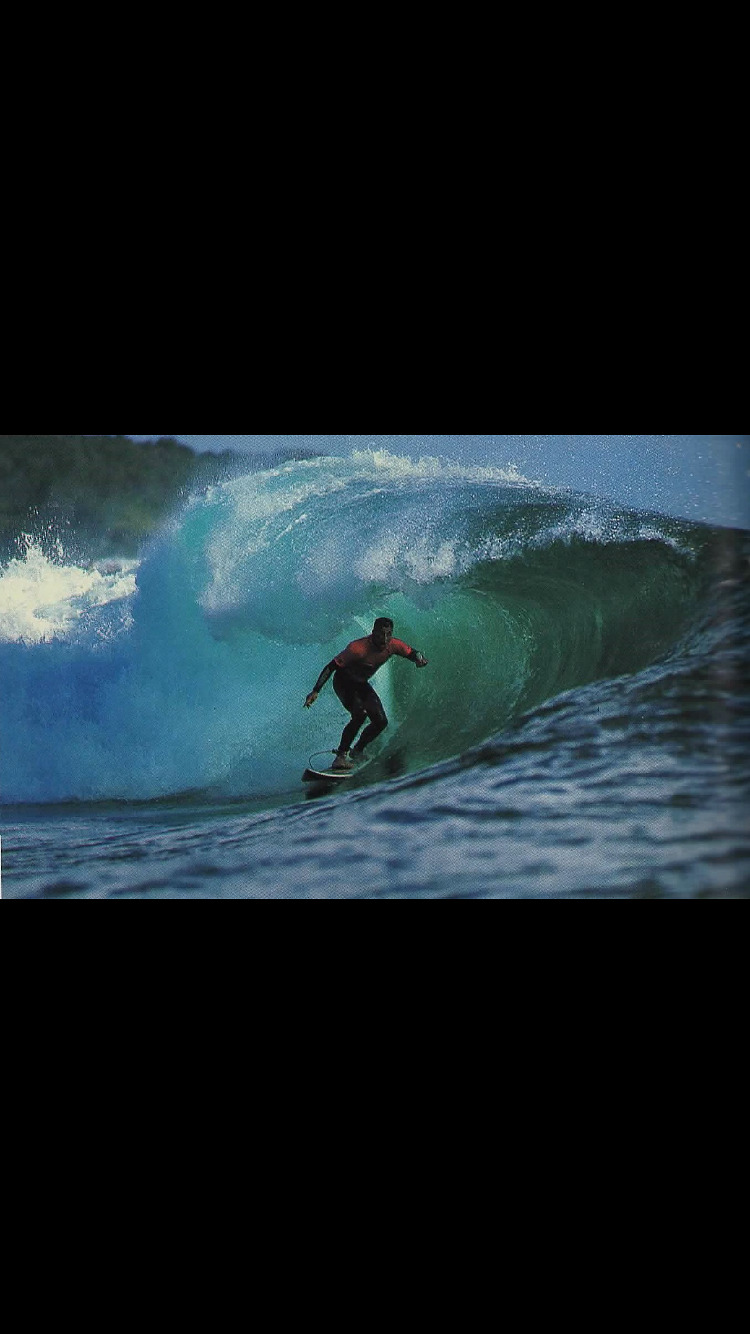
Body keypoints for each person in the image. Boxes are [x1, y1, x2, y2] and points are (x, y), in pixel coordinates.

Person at [305, 617, 429, 770]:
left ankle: (357, 750)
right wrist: (316, 690)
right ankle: (340, 757)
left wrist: (419, 659)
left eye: (388, 634)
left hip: (361, 684)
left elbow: (412, 653)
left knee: (381, 721)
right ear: (373, 633)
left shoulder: (393, 645)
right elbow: (331, 667)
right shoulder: (357, 648)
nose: (384, 639)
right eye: (380, 634)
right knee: (360, 714)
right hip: (343, 682)